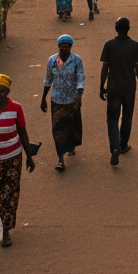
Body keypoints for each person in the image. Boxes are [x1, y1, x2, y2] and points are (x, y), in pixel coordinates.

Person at [0, 75, 36, 248]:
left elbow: (22, 132)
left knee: (9, 194)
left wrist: (29, 156)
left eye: (1, 91)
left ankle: (5, 229)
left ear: (8, 91)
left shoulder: (16, 108)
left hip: (13, 158)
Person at [100, 16, 138, 166]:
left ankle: (115, 147)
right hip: (129, 88)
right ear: (128, 29)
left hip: (113, 87)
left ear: (116, 29)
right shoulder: (134, 45)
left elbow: (105, 67)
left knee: (112, 118)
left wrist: (101, 85)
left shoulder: (109, 45)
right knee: (127, 116)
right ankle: (123, 144)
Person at [40, 34, 84, 171]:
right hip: (57, 100)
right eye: (61, 46)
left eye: (66, 46)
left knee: (71, 126)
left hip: (72, 100)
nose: (63, 49)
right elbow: (48, 79)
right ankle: (60, 159)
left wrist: (79, 97)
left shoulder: (76, 60)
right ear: (58, 46)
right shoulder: (53, 60)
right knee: (58, 129)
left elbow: (80, 79)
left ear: (70, 47)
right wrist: (43, 98)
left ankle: (71, 146)